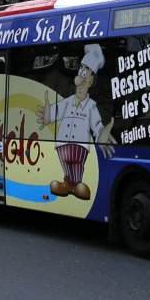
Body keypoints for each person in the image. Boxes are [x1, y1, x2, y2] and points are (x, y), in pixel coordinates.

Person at [37, 44, 116, 200]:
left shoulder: (91, 106)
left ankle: (75, 183)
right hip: (62, 146)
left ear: (91, 80)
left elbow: (97, 126)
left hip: (79, 147)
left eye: (85, 70)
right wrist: (47, 115)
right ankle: (68, 183)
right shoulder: (68, 102)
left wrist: (102, 134)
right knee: (67, 166)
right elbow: (54, 113)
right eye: (81, 68)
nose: (81, 73)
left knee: (77, 165)